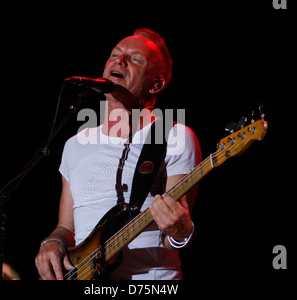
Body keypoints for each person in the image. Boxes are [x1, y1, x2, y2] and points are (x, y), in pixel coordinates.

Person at [35, 28, 202, 280]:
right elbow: (66, 227)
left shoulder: (174, 136)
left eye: (135, 58)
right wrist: (53, 242)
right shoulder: (75, 144)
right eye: (115, 54)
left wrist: (181, 232)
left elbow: (174, 233)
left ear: (156, 83)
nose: (119, 60)